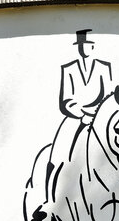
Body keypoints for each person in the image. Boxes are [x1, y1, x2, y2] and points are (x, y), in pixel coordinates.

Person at [43, 29, 113, 208]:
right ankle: (48, 199)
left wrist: (96, 114)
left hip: (99, 117)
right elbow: (65, 100)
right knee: (58, 151)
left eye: (88, 46)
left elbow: (109, 96)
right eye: (82, 46)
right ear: (78, 47)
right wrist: (82, 114)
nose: (85, 49)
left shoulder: (103, 68)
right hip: (76, 117)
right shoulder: (69, 69)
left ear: (93, 47)